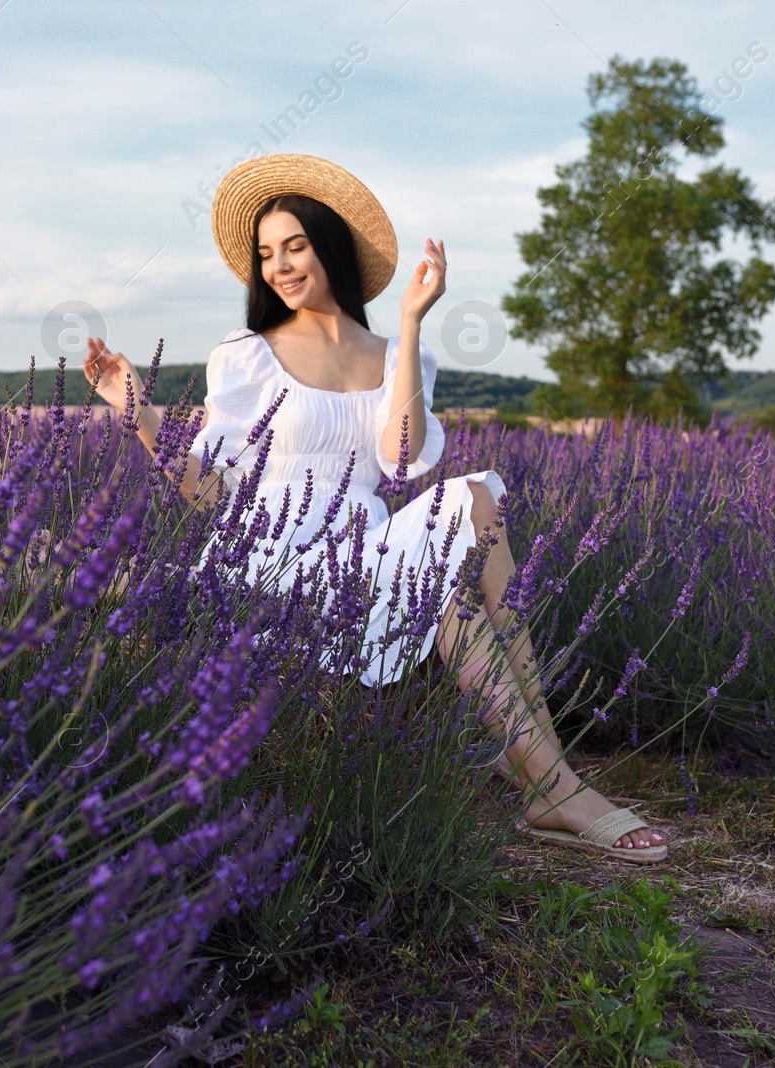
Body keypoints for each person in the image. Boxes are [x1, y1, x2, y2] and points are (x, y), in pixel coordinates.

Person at [82, 154, 665, 862]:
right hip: (272, 559)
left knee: (476, 499)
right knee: (453, 590)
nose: (280, 266)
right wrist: (138, 413)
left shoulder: (392, 354)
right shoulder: (245, 355)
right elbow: (209, 492)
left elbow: (399, 457)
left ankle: (544, 768)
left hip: (365, 545)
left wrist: (412, 323)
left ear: (332, 247)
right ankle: (552, 785)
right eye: (266, 254)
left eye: (295, 245)